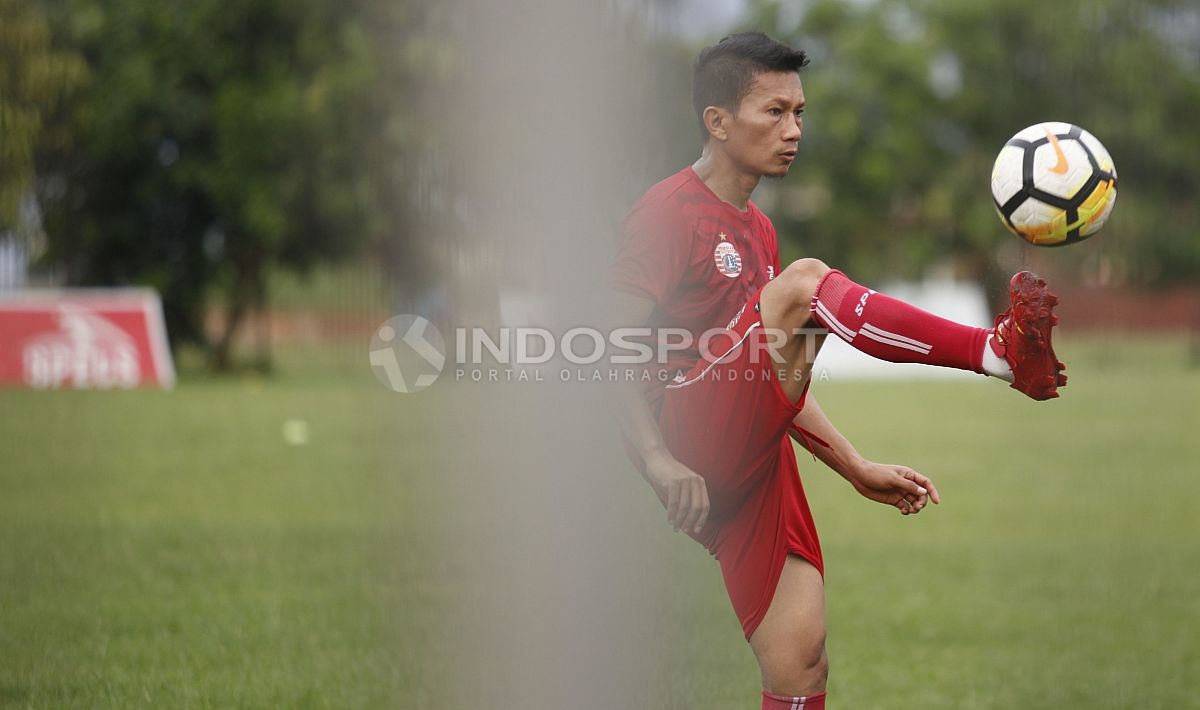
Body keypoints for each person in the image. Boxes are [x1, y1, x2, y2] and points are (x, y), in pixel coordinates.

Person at [609, 32, 1065, 710]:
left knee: (802, 664)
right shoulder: (666, 214)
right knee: (805, 287)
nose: (794, 129)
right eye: (775, 112)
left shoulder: (757, 229)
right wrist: (656, 461)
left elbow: (771, 373)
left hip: (745, 452)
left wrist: (854, 466)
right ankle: (995, 352)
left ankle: (996, 352)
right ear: (718, 121)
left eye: (800, 113)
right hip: (681, 433)